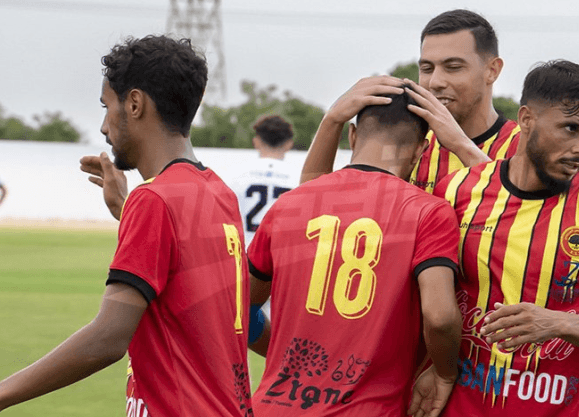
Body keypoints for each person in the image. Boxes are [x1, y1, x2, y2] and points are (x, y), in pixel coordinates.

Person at [0, 35, 254, 416]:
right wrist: (126, 209)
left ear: (134, 103)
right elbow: (183, 277)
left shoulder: (154, 200)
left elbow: (108, 338)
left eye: (107, 106)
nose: (104, 126)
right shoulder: (218, 193)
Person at [434, 60, 579, 416]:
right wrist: (435, 366)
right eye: (570, 128)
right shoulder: (457, 192)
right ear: (526, 119)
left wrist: (558, 322)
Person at [247, 86, 462, 416]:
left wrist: (282, 355)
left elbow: (239, 310)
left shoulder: (290, 205)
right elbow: (440, 317)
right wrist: (446, 373)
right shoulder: (428, 212)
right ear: (421, 149)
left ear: (352, 135)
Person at [301, 9, 519, 191]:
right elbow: (309, 205)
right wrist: (331, 121)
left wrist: (461, 145)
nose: (435, 81)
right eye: (426, 68)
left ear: (492, 70)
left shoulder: (524, 146)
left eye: (453, 67)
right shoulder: (412, 143)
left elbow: (514, 212)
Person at [228, 114, 297, 248]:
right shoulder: (300, 179)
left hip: (244, 256)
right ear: (289, 144)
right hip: (279, 259)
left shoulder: (235, 176)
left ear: (256, 141)